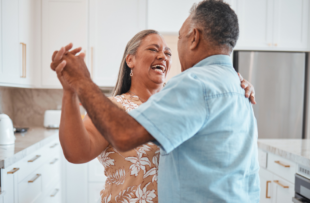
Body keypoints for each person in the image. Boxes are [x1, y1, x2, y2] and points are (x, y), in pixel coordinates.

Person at [51, 0, 259, 202]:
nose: (164, 56)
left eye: (168, 52)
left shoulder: (189, 94)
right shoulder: (112, 110)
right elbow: (77, 153)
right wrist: (71, 91)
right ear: (130, 59)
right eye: (153, 49)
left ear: (194, 38)